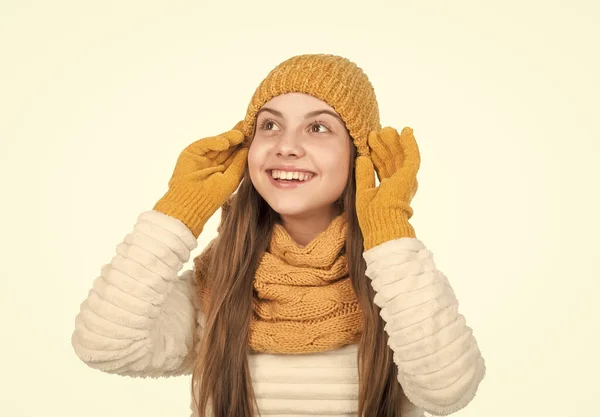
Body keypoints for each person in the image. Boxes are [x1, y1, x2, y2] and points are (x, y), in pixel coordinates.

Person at [71, 54, 486, 417]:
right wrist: (178, 211)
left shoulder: (399, 280)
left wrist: (390, 232)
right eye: (269, 125)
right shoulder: (214, 286)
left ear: (360, 156)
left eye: (318, 128)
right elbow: (103, 346)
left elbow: (448, 393)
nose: (286, 146)